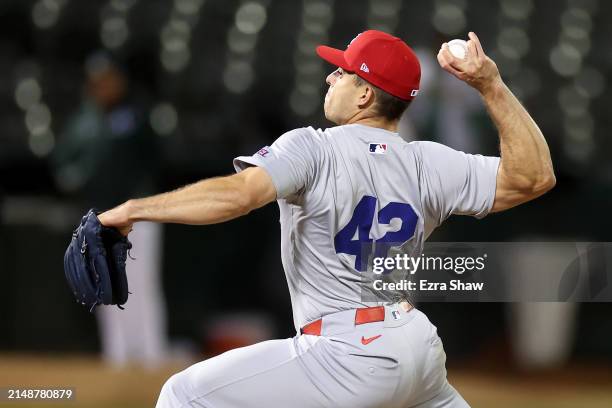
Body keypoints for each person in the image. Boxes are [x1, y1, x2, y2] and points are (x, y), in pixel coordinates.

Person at [99, 31, 555, 407]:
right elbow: (534, 177)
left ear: (364, 93)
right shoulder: (430, 162)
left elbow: (238, 196)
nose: (330, 76)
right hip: (417, 348)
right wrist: (491, 84)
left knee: (183, 395)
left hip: (346, 354)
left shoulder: (312, 146)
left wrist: (135, 209)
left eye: (343, 71)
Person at [52, 53, 169, 368]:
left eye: (109, 79)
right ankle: (116, 357)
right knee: (104, 284)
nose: (105, 86)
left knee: (141, 283)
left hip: (138, 213)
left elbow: (156, 157)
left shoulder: (136, 115)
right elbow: (62, 163)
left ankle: (150, 355)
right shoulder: (83, 121)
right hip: (100, 216)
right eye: (98, 81)